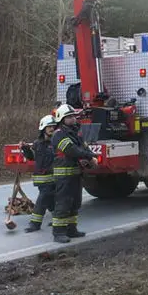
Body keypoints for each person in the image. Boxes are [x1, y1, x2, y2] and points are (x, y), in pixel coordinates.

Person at [51, 104, 98, 243]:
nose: (73, 119)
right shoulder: (59, 134)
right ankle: (58, 232)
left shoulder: (76, 133)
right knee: (63, 204)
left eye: (74, 116)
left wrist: (91, 156)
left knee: (75, 203)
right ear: (61, 119)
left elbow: (84, 147)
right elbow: (71, 150)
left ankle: (71, 230)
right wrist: (89, 157)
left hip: (75, 174)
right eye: (69, 117)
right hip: (64, 176)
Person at [18, 115, 58, 233]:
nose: (52, 129)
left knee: (43, 200)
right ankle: (55, 219)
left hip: (53, 177)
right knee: (48, 200)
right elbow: (32, 157)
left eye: (53, 126)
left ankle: (35, 224)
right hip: (41, 178)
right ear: (43, 128)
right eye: (49, 126)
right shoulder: (37, 143)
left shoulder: (57, 142)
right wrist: (25, 148)